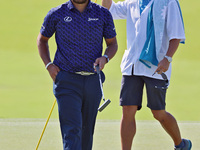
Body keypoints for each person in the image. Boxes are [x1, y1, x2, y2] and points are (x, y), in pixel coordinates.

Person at [102, 0, 192, 149]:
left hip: (157, 66)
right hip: (132, 66)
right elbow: (108, 10)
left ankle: (180, 144)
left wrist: (167, 59)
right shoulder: (132, 2)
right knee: (127, 110)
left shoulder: (168, 2)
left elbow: (176, 34)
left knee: (158, 113)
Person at [37, 0, 118, 149]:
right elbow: (42, 40)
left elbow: (112, 44)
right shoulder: (57, 13)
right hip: (66, 80)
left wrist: (105, 58)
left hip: (93, 80)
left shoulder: (102, 14)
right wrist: (49, 65)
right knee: (72, 131)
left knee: (87, 133)